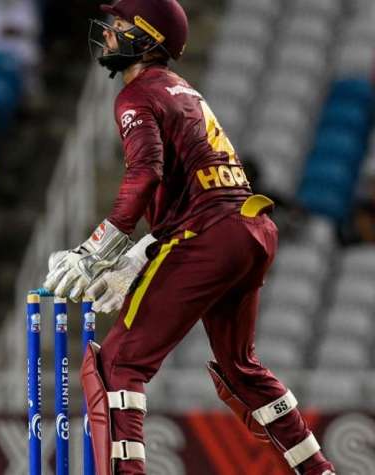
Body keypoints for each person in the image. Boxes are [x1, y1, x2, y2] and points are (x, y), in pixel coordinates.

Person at [43, 2, 337, 474]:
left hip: (208, 234)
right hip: (247, 228)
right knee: (240, 367)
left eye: (121, 25)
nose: (109, 32)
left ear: (148, 38)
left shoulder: (137, 94)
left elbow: (145, 173)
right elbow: (195, 185)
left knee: (119, 363)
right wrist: (144, 251)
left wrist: (96, 250)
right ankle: (319, 470)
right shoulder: (181, 90)